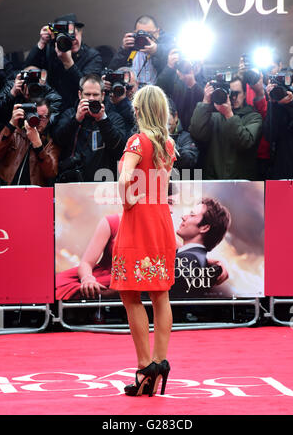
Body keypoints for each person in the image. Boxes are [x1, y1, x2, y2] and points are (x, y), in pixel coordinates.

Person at [110, 85, 176, 397]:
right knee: (160, 295)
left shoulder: (137, 141)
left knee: (131, 295)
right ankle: (160, 362)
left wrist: (127, 203)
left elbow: (124, 180)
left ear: (139, 111)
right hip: (162, 221)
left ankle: (144, 367)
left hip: (139, 223)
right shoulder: (169, 144)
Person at [51, 74, 127, 182]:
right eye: (87, 94)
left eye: (95, 94)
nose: (91, 98)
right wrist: (76, 119)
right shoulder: (70, 114)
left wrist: (102, 120)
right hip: (71, 183)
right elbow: (58, 140)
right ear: (79, 94)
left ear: (103, 95)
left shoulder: (113, 117)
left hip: (103, 182)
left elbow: (119, 148)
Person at [24, 13, 102, 110]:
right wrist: (42, 42)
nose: (71, 41)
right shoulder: (51, 50)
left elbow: (87, 87)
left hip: (75, 108)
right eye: (66, 38)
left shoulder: (92, 56)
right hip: (50, 107)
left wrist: (68, 63)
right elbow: (28, 68)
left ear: (80, 33)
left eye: (73, 35)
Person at [190, 77, 262, 180]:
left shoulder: (253, 117)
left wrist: (229, 114)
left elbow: (244, 142)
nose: (233, 97)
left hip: (241, 183)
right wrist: (205, 101)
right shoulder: (213, 116)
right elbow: (197, 133)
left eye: (237, 93)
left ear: (245, 94)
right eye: (230, 93)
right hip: (213, 182)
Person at [171, 197, 231, 300]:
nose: (183, 217)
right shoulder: (194, 258)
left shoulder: (186, 260)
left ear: (204, 228)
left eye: (192, 215)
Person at [56, 214, 121, 301]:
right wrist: (87, 279)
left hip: (129, 280)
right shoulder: (113, 222)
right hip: (103, 276)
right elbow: (86, 262)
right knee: (56, 284)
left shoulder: (144, 225)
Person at [0, 99, 59, 186]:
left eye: (42, 117)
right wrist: (11, 124)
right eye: (35, 116)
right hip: (7, 192)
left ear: (49, 118)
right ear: (26, 115)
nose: (38, 121)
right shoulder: (14, 134)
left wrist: (38, 145)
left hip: (33, 195)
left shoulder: (50, 143)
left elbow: (51, 172)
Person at [109, 15, 174, 87]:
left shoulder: (166, 43)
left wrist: (157, 50)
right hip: (133, 92)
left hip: (158, 92)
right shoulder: (130, 46)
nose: (146, 37)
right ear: (135, 33)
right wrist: (123, 50)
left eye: (149, 34)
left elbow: (176, 53)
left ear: (158, 32)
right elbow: (112, 70)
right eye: (141, 33)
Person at [0, 66, 62, 132]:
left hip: (37, 132)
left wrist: (40, 107)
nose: (33, 88)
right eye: (29, 83)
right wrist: (12, 94)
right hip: (11, 129)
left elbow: (50, 122)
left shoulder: (51, 95)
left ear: (42, 83)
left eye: (36, 85)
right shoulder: (13, 87)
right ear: (22, 82)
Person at [156, 49, 204, 131]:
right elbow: (159, 92)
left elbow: (204, 102)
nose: (187, 65)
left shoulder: (201, 78)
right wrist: (169, 67)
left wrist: (192, 83)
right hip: (176, 126)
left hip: (196, 128)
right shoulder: (174, 76)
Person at [264, 80, 293, 179]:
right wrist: (272, 103)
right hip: (280, 171)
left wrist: (292, 105)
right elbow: (270, 136)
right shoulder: (278, 108)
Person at [167, 98, 200, 173]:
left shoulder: (186, 137)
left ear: (175, 116)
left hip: (179, 182)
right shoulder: (150, 136)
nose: (163, 123)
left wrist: (167, 143)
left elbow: (188, 160)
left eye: (166, 117)